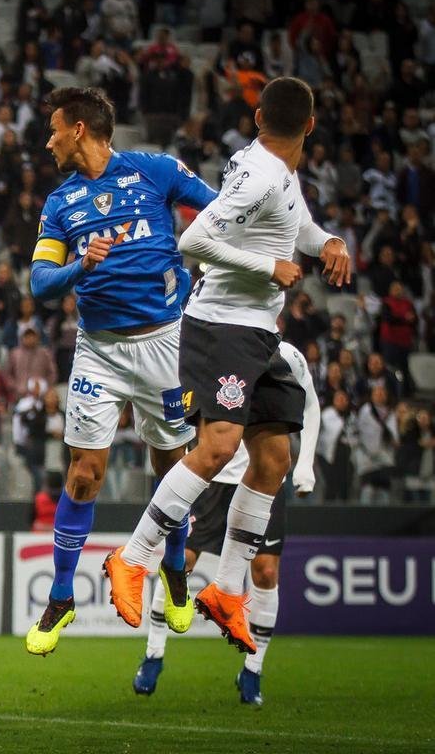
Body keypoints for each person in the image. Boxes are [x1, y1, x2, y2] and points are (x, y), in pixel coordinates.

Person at [106, 77, 351, 653]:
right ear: (311, 125)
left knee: (273, 457)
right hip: (222, 326)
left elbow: (299, 226)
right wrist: (269, 267)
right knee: (219, 447)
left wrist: (328, 241)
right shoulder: (262, 174)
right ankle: (132, 556)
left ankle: (226, 589)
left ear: (259, 117)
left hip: (258, 332)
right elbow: (192, 240)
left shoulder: (278, 170)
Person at [23, 86, 218, 656]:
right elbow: (40, 283)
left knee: (171, 468)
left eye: (54, 129)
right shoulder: (61, 203)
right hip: (99, 350)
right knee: (84, 473)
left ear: (79, 129)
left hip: (165, 345)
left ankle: (175, 567)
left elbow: (219, 209)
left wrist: (205, 267)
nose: (49, 141)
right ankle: (61, 596)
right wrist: (80, 267)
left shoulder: (156, 171)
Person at [133, 340, 319, 705]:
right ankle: (153, 654)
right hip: (213, 478)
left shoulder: (289, 355)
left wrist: (306, 464)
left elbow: (310, 404)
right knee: (181, 561)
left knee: (266, 572)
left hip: (264, 479)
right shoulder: (218, 344)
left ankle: (253, 669)